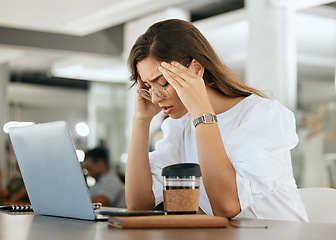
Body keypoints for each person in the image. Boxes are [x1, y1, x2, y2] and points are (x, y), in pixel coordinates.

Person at [125, 19, 308, 222]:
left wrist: (202, 112)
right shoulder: (181, 126)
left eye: (163, 83)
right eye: (149, 87)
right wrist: (141, 120)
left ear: (195, 69)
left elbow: (227, 206)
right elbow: (138, 202)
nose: (156, 97)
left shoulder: (263, 115)